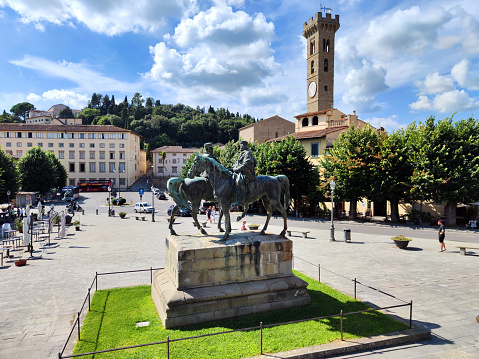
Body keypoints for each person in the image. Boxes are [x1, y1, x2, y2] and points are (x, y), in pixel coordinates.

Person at [232, 140, 257, 205]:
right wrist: (233, 167)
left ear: (244, 145)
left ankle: (241, 200)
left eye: (240, 145)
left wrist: (237, 169)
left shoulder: (248, 153)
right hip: (241, 172)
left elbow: (246, 163)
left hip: (247, 173)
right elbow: (238, 162)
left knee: (239, 181)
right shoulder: (243, 153)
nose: (239, 147)